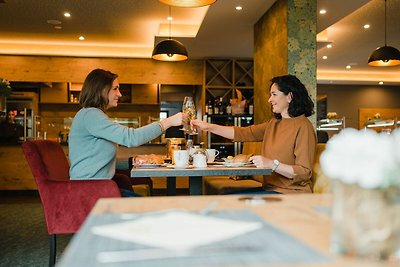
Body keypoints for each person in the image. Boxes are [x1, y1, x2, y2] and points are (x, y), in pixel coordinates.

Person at [191, 74, 316, 194]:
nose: (269, 99)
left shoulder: (303, 126)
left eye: (274, 94)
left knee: (231, 202)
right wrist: (208, 127)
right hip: (269, 189)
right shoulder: (274, 123)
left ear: (289, 97)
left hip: (291, 193)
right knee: (227, 198)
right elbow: (242, 133)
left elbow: (304, 172)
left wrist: (273, 164)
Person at [69, 68, 184, 196]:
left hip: (97, 188)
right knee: (149, 208)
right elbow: (131, 138)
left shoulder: (91, 114)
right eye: (115, 88)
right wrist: (169, 122)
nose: (120, 94)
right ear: (100, 90)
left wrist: (133, 160)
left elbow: (98, 161)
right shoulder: (91, 115)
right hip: (90, 192)